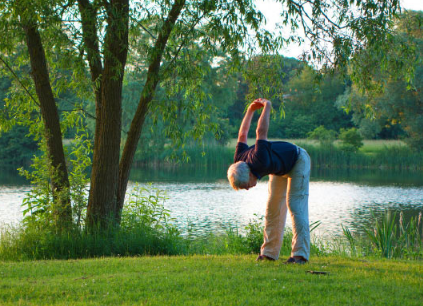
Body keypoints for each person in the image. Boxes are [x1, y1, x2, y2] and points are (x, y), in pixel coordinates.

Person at [227, 98, 311, 264]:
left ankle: (300, 255)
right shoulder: (239, 159)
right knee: (272, 208)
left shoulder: (260, 159)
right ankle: (269, 253)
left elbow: (261, 132)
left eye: (245, 186)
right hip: (279, 168)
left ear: (250, 174)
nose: (248, 189)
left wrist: (267, 106)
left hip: (298, 160)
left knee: (295, 204)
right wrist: (250, 110)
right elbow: (242, 134)